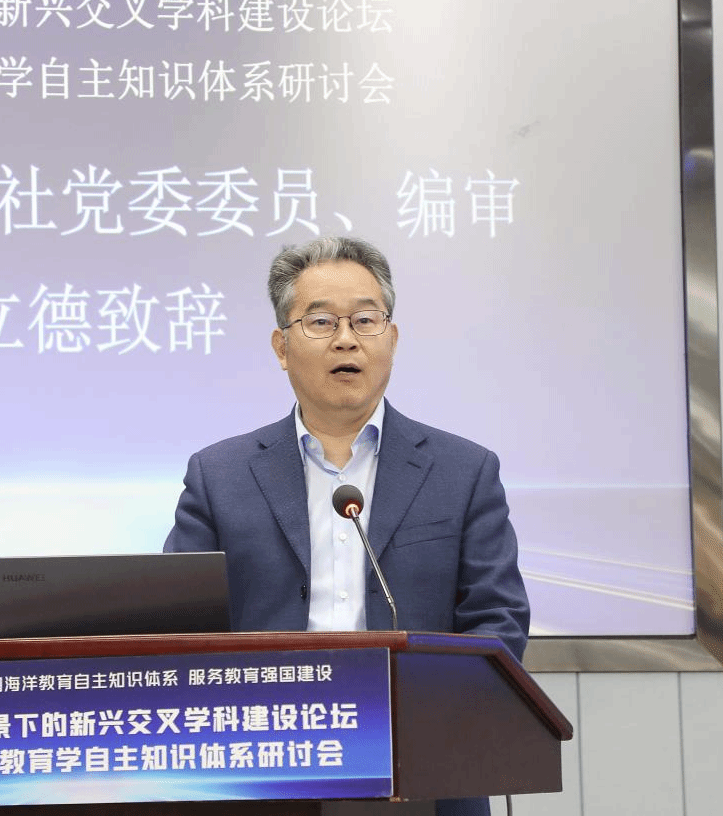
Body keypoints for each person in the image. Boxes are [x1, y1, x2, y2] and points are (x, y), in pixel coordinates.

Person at [164, 236, 529, 816]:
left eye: (365, 319)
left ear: (392, 339)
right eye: (320, 322)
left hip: (422, 768)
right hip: (262, 769)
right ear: (282, 347)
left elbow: (498, 618)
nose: (346, 339)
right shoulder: (219, 475)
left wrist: (431, 713)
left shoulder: (464, 471)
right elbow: (176, 628)